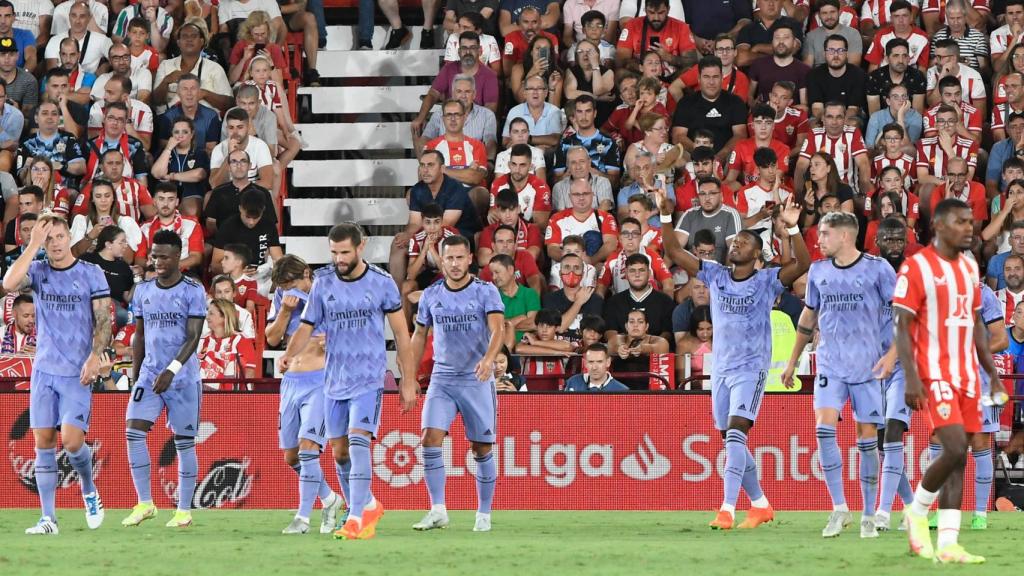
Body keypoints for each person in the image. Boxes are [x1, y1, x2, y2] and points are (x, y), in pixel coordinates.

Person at [659, 188, 810, 530]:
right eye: (735, 241)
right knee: (730, 439)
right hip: (721, 369)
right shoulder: (715, 275)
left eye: (744, 242)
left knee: (737, 434)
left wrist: (794, 228)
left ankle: (726, 508)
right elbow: (672, 250)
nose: (736, 244)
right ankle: (760, 505)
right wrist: (667, 215)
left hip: (751, 369)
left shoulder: (768, 280)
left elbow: (803, 263)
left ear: (758, 254)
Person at [281, 222, 416, 540]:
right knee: (339, 452)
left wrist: (407, 381)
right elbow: (306, 325)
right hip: (333, 380)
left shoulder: (382, 283)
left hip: (368, 377)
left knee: (357, 443)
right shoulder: (324, 282)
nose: (339, 258)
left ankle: (355, 518)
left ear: (361, 246)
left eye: (344, 252)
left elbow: (401, 333)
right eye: (334, 252)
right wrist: (289, 354)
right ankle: (366, 504)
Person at [897, 198, 1006, 564]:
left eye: (971, 221)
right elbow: (902, 325)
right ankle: (916, 510)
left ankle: (948, 544)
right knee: (956, 447)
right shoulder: (917, 267)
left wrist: (991, 374)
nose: (969, 228)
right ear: (940, 226)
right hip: (935, 372)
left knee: (960, 460)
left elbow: (976, 324)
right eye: (961, 221)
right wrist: (911, 377)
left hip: (967, 375)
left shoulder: (971, 268)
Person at [779, 212, 896, 538]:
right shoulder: (818, 271)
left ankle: (869, 515)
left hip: (867, 368)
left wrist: (892, 354)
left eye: (826, 234)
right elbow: (808, 316)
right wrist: (792, 360)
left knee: (867, 443)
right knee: (823, 429)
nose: (820, 240)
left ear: (846, 236)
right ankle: (839, 508)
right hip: (830, 364)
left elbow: (903, 314)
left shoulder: (878, 269)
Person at [4, 214, 111, 534]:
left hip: (76, 371)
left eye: (59, 237)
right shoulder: (37, 271)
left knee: (72, 441)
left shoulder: (91, 273)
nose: (55, 244)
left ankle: (89, 489)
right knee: (44, 442)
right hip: (44, 371)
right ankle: (48, 518)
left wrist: (95, 356)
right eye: (49, 239)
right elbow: (8, 284)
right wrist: (32, 244)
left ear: (69, 237)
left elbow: (103, 319)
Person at [411, 235, 505, 533]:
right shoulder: (430, 295)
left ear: (470, 258)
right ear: (442, 259)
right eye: (449, 258)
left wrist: (489, 359)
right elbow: (419, 336)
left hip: (476, 378)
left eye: (459, 258)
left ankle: (484, 514)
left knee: (481, 448)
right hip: (443, 377)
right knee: (429, 437)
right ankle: (438, 509)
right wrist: (410, 377)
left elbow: (498, 329)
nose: (454, 264)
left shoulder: (485, 292)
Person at [121, 230, 206, 529]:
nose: (157, 261)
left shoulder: (193, 290)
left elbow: (193, 337)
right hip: (150, 375)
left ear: (178, 257)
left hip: (182, 377)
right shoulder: (143, 291)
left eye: (164, 256)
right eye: (154, 255)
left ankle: (183, 510)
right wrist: (135, 376)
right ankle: (145, 503)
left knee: (184, 442)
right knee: (133, 430)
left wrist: (171, 369)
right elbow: (139, 336)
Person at [265, 255, 343, 535]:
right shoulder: (282, 297)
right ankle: (330, 499)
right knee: (291, 456)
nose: (289, 290)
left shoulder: (330, 292)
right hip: (291, 381)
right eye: (283, 286)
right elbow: (272, 338)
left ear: (307, 274)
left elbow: (353, 330)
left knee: (308, 449)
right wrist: (285, 311)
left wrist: (334, 339)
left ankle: (303, 518)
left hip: (320, 380)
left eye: (292, 284)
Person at [135, 183, 205, 272]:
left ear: (177, 202)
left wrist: (170, 267)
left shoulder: (191, 224)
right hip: (155, 273)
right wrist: (153, 265)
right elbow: (139, 259)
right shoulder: (144, 227)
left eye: (170, 199)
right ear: (154, 201)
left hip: (184, 274)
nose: (165, 204)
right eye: (161, 199)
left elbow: (196, 257)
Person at [150, 117, 210, 218]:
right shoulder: (163, 152)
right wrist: (168, 148)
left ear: (192, 134)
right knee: (153, 211)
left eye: (185, 132)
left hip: (191, 193)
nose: (180, 136)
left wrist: (172, 176)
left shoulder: (200, 153)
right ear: (172, 135)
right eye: (176, 132)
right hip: (166, 193)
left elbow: (199, 174)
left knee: (191, 210)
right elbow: (157, 173)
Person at [69, 178, 143, 260]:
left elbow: (128, 260)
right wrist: (90, 236)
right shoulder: (81, 220)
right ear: (92, 199)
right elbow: (74, 254)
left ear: (113, 198)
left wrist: (114, 235)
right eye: (98, 196)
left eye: (107, 196)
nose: (103, 200)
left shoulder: (126, 222)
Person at [80, 225, 136, 327]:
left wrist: (137, 281)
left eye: (125, 242)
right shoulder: (87, 260)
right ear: (108, 244)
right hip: (87, 303)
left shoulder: (124, 267)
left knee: (124, 315)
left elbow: (127, 298)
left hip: (115, 308)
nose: (125, 245)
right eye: (121, 242)